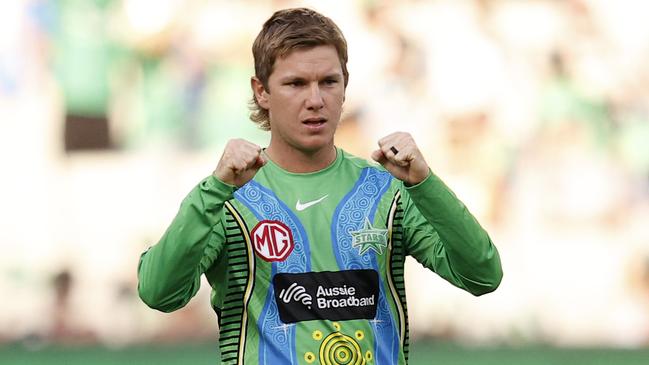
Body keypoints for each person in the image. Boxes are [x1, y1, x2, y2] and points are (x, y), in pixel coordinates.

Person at [137, 7, 502, 365]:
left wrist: (425, 183)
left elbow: (483, 276)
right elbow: (159, 293)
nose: (315, 100)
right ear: (261, 91)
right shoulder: (229, 195)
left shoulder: (387, 190)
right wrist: (214, 190)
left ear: (345, 86)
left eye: (329, 82)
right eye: (295, 84)